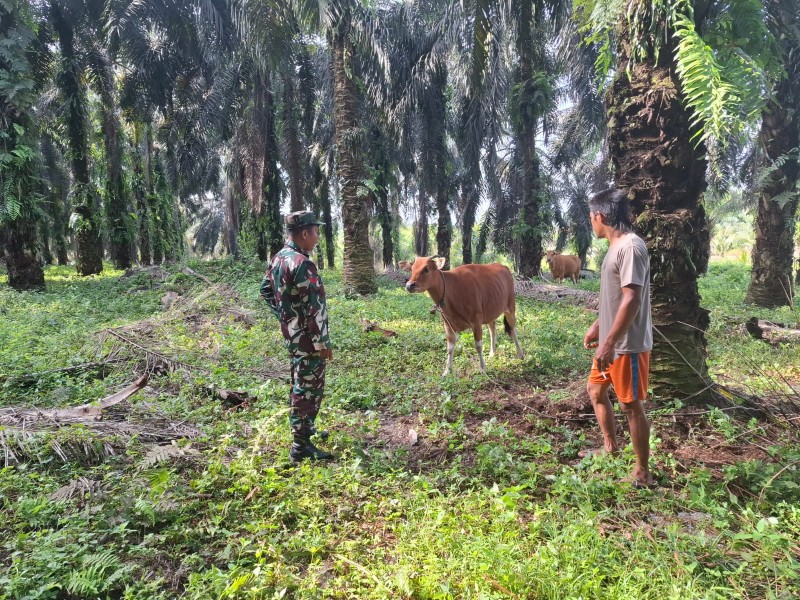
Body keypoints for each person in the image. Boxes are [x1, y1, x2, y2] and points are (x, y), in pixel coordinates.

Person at [583, 188, 654, 487]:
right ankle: (610, 447)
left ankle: (642, 472)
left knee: (630, 405)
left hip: (628, 345)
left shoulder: (631, 247)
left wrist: (610, 343)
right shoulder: (615, 248)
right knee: (596, 391)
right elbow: (615, 297)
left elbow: (631, 299)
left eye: (591, 217)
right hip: (611, 341)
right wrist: (599, 325)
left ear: (599, 216)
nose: (591, 222)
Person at [260, 210, 334, 463]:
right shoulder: (303, 264)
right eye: (315, 232)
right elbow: (314, 308)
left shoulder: (279, 258)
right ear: (304, 233)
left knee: (299, 383)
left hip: (293, 336)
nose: (317, 238)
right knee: (308, 389)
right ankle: (300, 446)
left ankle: (305, 429)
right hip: (309, 341)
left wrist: (287, 318)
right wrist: (322, 343)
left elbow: (265, 290)